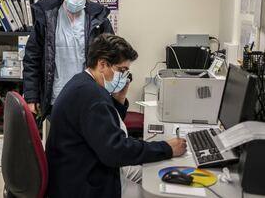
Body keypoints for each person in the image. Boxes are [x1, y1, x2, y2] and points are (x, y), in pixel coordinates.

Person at [46, 34, 187, 198]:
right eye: (122, 70)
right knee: (157, 189)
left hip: (81, 169)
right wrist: (167, 148)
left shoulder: (83, 83)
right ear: (102, 64)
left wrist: (119, 100)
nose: (124, 76)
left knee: (152, 172)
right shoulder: (92, 96)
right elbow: (115, 152)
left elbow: (104, 128)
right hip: (85, 185)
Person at [23, 0, 114, 118]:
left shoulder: (99, 19)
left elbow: (111, 56)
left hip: (89, 95)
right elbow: (32, 58)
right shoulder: (47, 16)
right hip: (56, 96)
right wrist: (31, 97)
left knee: (89, 139)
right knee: (60, 139)